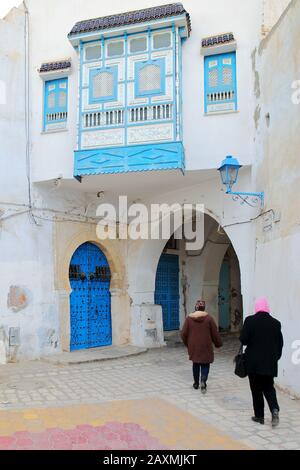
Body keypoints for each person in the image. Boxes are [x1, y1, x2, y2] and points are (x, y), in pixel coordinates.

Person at [240, 297, 284, 427]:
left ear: (257, 307)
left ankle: (259, 416)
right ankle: (274, 409)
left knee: (256, 389)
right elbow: (280, 344)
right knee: (269, 388)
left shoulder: (250, 321)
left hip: (253, 363)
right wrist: (275, 357)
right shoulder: (276, 323)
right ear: (266, 307)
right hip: (269, 363)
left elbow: (244, 340)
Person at [181, 300, 223, 394]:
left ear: (196, 308)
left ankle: (196, 383)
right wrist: (218, 343)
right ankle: (203, 380)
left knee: (195, 363)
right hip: (206, 345)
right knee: (205, 363)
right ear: (204, 308)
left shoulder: (189, 319)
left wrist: (187, 343)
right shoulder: (209, 319)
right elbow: (215, 333)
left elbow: (183, 333)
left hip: (194, 346)